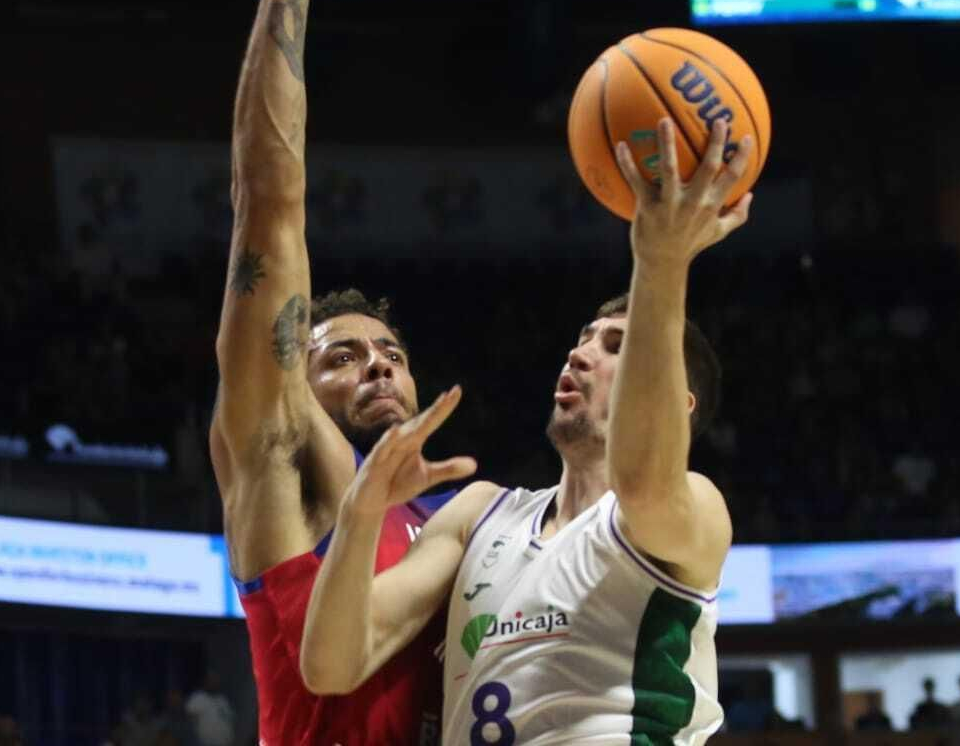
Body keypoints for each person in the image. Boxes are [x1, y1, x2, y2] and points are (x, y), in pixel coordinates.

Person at [300, 116, 756, 744]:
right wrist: (361, 508)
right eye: (581, 341)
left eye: (617, 345)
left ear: (675, 401)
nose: (579, 355)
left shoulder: (693, 510)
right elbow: (331, 664)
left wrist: (661, 263)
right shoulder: (480, 513)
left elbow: (645, 481)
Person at [209, 0, 450, 746]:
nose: (378, 367)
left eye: (388, 352)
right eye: (342, 356)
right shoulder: (280, 461)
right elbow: (268, 202)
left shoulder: (449, 529)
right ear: (292, 379)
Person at [182, 670, 233, 746]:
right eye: (211, 680)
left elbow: (230, 719)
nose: (213, 682)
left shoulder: (222, 700)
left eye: (215, 680)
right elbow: (187, 720)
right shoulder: (197, 698)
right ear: (205, 681)